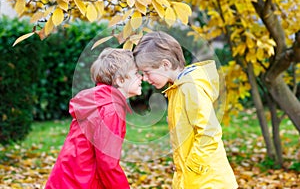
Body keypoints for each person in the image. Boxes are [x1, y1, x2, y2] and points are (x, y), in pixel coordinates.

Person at [133, 31, 238, 188]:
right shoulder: (177, 89)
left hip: (207, 182)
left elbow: (209, 133)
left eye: (147, 72)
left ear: (165, 65)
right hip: (194, 180)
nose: (145, 78)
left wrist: (191, 168)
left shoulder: (190, 88)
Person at [45, 48, 142, 189]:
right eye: (136, 74)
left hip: (66, 178)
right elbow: (108, 164)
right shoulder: (111, 110)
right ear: (120, 80)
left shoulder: (99, 101)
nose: (142, 78)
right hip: (80, 182)